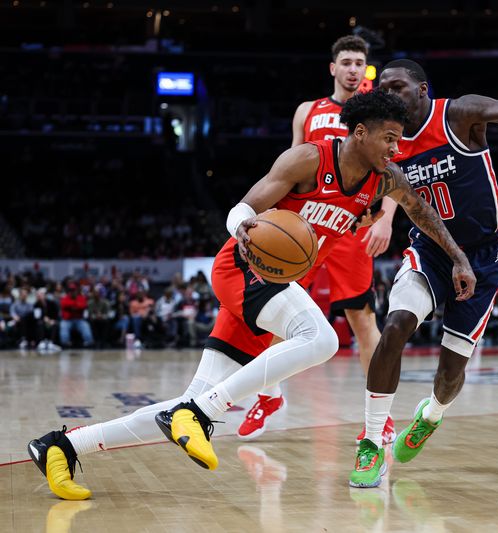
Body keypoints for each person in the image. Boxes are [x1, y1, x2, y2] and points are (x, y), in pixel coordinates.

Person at [27, 89, 475, 501]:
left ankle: (62, 446)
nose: (396, 149)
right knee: (322, 340)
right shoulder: (307, 158)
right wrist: (242, 227)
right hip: (243, 267)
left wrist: (457, 257)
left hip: (272, 286)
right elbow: (243, 207)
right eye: (389, 138)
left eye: (399, 141)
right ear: (360, 132)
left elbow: (424, 213)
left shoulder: (383, 180)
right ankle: (202, 412)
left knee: (183, 405)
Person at [349, 60, 498, 488]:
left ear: (422, 89)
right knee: (396, 326)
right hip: (431, 250)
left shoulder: (457, 114)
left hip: (484, 255)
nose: (388, 92)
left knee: (449, 374)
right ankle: (370, 442)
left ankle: (431, 415)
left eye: (397, 85)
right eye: (382, 86)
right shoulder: (389, 142)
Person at [238, 35, 399, 445]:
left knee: (364, 321)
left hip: (351, 230)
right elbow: (288, 167)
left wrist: (386, 221)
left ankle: (379, 414)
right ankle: (268, 396)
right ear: (332, 67)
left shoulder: (380, 115)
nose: (352, 69)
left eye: (359, 62)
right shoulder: (308, 111)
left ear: (366, 69)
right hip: (302, 228)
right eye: (345, 61)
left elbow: (394, 172)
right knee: (276, 318)